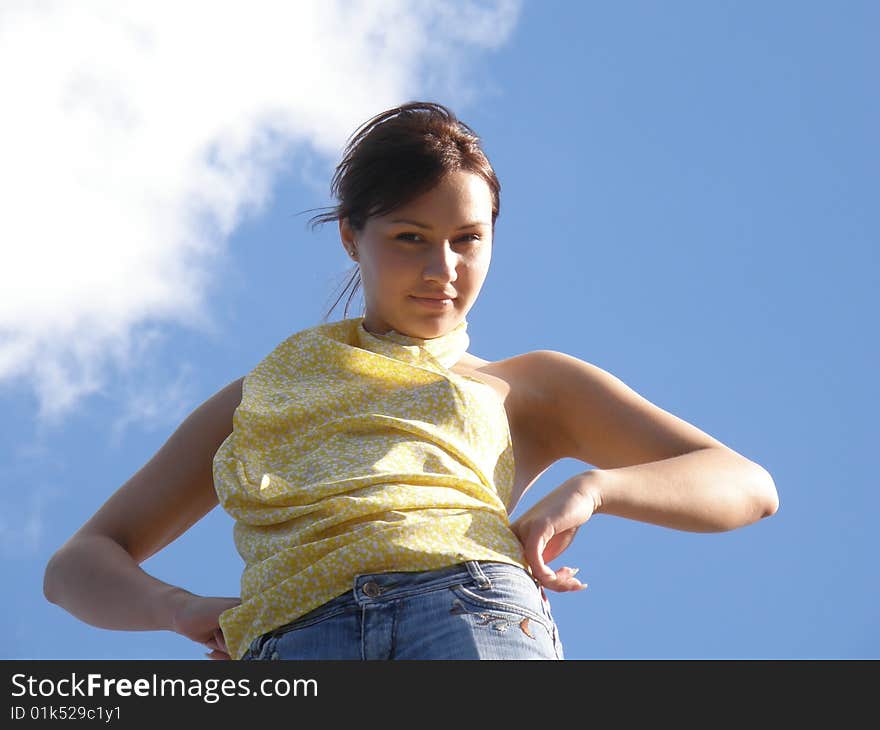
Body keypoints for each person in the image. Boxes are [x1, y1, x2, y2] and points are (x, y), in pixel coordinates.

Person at [43, 101, 779, 661]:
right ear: (350, 236)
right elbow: (78, 563)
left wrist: (595, 488)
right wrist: (177, 607)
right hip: (291, 642)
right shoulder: (259, 397)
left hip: (468, 614)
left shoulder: (526, 386)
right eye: (410, 239)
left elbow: (745, 485)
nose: (442, 271)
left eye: (467, 240)